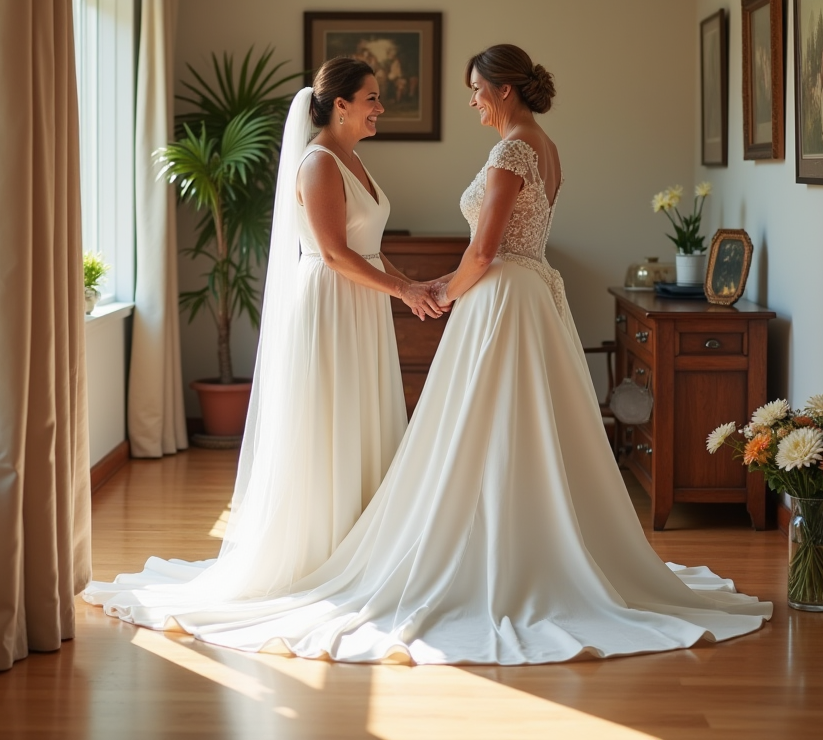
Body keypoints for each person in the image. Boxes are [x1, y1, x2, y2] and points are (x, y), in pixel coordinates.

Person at [141, 45, 772, 665]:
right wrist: (419, 288)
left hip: (502, 296)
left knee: (479, 426)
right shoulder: (545, 149)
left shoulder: (512, 150)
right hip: (529, 293)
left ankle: (492, 549)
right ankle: (522, 542)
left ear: (503, 89)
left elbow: (484, 251)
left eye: (475, 89)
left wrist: (439, 288)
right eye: (372, 98)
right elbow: (364, 248)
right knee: (519, 428)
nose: (471, 100)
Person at [82, 58, 441, 622]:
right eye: (371, 98)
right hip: (330, 305)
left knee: (361, 417)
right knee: (331, 419)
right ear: (340, 105)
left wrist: (407, 285)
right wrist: (401, 290)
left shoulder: (353, 159)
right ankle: (322, 550)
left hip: (361, 306)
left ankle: (363, 544)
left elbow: (365, 246)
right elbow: (332, 254)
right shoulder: (320, 163)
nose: (380, 107)